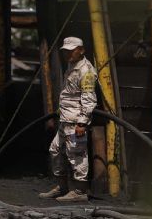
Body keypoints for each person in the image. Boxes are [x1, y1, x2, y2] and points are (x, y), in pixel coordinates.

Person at [39, 37, 97, 202]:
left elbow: (89, 99)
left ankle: (79, 191)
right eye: (66, 50)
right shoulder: (72, 66)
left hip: (75, 122)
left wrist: (82, 122)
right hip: (66, 119)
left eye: (72, 50)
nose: (68, 53)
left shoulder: (86, 71)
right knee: (55, 150)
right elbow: (69, 93)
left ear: (81, 50)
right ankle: (62, 187)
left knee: (77, 155)